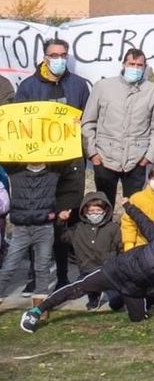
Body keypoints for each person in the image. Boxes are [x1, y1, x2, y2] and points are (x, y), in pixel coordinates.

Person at [21, 202, 154, 333]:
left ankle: (146, 297)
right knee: (78, 288)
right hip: (114, 271)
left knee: (137, 319)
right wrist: (129, 206)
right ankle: (36, 311)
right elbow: (144, 222)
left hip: (134, 288)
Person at [13, 39, 89, 293]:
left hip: (70, 166)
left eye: (63, 55)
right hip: (40, 168)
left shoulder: (78, 85)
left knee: (65, 221)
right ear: (44, 57)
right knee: (40, 221)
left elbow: (87, 119)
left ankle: (66, 276)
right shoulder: (28, 86)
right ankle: (37, 276)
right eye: (54, 54)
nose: (59, 59)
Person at [81, 49, 154, 208]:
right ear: (123, 64)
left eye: (139, 65)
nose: (135, 68)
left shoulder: (153, 91)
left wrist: (148, 157)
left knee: (134, 208)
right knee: (103, 207)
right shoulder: (103, 87)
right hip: (105, 158)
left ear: (144, 67)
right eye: (131, 64)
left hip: (136, 160)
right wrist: (93, 154)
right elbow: (88, 122)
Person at [0, 161, 58, 303]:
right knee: (9, 265)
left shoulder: (53, 173)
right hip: (21, 228)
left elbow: (68, 165)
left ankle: (40, 304)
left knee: (42, 267)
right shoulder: (15, 171)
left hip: (44, 227)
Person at [64, 192, 121, 310]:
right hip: (87, 270)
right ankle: (93, 296)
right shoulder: (77, 229)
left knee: (116, 303)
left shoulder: (113, 228)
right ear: (85, 211)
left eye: (98, 211)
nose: (95, 214)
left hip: (109, 271)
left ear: (105, 211)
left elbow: (121, 247)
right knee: (80, 288)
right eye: (91, 211)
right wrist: (60, 221)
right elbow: (61, 237)